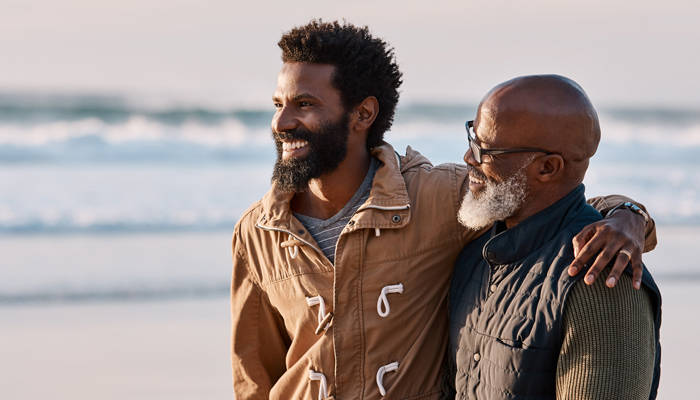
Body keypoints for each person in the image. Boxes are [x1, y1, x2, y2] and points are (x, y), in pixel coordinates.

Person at [231, 21, 656, 400]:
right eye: (277, 104)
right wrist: (630, 214)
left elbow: (552, 204)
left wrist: (628, 216)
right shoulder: (257, 231)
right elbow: (254, 377)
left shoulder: (438, 199)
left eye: (304, 104)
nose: (281, 122)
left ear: (363, 113)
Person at [447, 75, 661, 400]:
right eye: (471, 136)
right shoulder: (474, 250)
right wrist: (629, 211)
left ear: (547, 168)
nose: (468, 158)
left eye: (485, 149)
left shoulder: (600, 276)